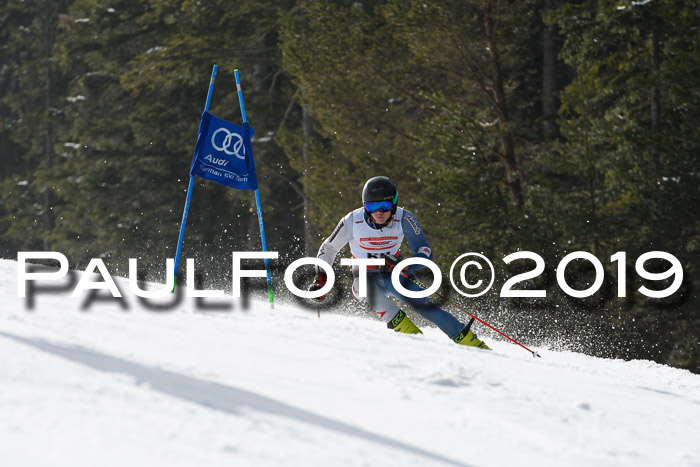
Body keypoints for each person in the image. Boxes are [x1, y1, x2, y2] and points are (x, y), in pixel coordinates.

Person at [308, 176, 490, 349]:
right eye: (372, 207)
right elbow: (329, 248)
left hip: (395, 275)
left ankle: (475, 346)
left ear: (394, 204)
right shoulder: (351, 221)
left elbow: (425, 251)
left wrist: (405, 265)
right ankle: (415, 342)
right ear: (365, 206)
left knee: (427, 308)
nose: (378, 213)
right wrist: (321, 277)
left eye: (384, 206)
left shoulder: (404, 218)